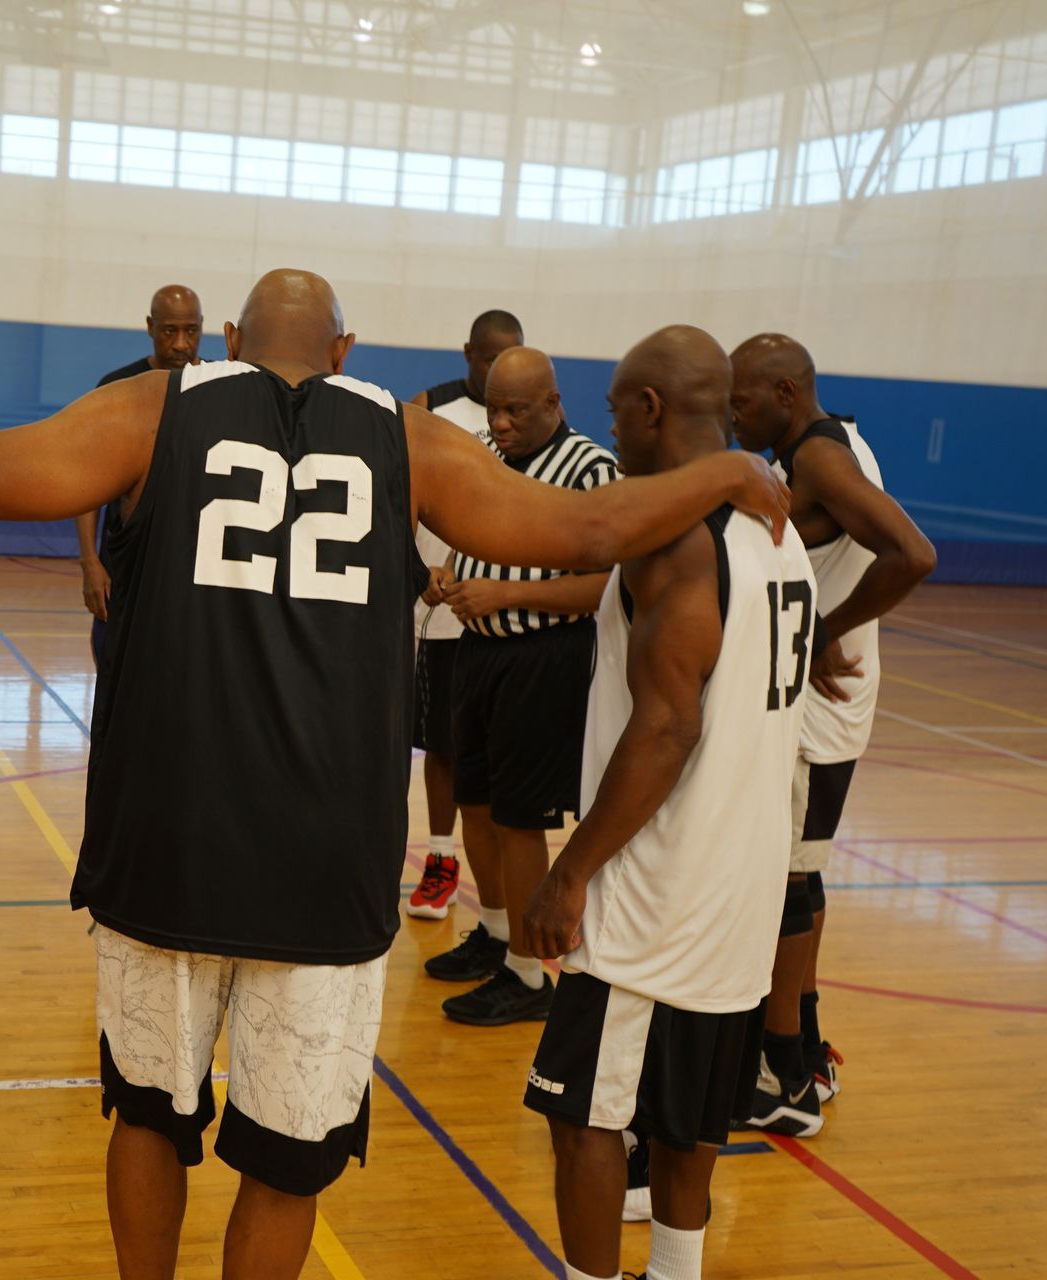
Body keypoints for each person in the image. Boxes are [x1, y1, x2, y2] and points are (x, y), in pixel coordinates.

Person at [0, 270, 790, 1279]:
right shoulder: (409, 438)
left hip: (168, 836)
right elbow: (589, 530)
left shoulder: (164, 405)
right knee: (289, 1155)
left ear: (236, 340)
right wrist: (730, 469)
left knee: (150, 1118)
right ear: (344, 352)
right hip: (327, 853)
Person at [517, 326, 815, 1280]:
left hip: (656, 890)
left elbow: (666, 731)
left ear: (647, 410)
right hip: (744, 881)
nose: (612, 427)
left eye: (613, 409)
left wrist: (570, 873)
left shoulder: (681, 541)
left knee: (584, 1118)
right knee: (688, 1125)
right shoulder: (778, 534)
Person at [729, 333, 936, 1135]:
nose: (733, 411)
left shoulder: (818, 459)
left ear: (785, 392)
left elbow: (913, 553)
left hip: (817, 716)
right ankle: (806, 1047)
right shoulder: (838, 440)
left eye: (743, 398)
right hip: (823, 711)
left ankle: (783, 1077)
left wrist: (823, 629)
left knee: (782, 886)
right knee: (801, 880)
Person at [426, 348, 617, 1028]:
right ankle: (500, 935)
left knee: (519, 816)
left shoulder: (592, 469)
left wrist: (504, 591)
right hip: (478, 649)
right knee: (474, 801)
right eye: (494, 409)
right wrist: (450, 573)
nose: (501, 422)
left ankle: (532, 974)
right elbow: (474, 535)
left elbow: (608, 586)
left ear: (554, 405)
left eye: (516, 410)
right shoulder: (483, 453)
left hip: (544, 656)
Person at [404, 309, 523, 919]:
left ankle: (502, 892)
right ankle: (441, 859)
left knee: (492, 754)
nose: (498, 368)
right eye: (487, 357)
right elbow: (399, 492)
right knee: (441, 749)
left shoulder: (531, 423)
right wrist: (415, 571)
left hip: (504, 621)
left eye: (510, 356)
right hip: (437, 612)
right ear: (467, 353)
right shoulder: (431, 408)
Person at [78, 285, 204, 666]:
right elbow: (88, 484)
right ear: (150, 326)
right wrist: (89, 562)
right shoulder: (117, 388)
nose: (181, 343)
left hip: (193, 567)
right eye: (169, 331)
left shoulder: (223, 385)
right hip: (124, 565)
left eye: (191, 330)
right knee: (113, 663)